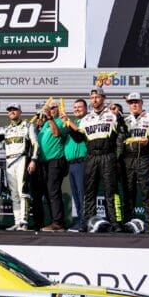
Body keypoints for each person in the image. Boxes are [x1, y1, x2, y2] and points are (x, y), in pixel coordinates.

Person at [76, 87, 125, 232]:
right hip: (91, 156)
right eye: (92, 98)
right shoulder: (86, 118)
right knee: (90, 191)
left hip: (107, 155)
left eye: (97, 97)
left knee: (111, 191)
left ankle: (115, 223)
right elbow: (79, 138)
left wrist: (119, 116)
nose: (94, 100)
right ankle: (88, 222)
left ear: (103, 98)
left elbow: (124, 131)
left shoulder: (112, 113)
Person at [0, 103, 39, 231]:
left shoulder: (27, 126)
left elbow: (35, 144)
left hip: (22, 159)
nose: (11, 112)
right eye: (9, 110)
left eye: (14, 110)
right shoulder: (5, 129)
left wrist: (33, 160)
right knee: (14, 194)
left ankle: (24, 221)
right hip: (9, 161)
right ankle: (17, 222)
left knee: (23, 192)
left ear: (20, 112)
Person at [122, 92, 149, 233]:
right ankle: (128, 222)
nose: (134, 104)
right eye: (131, 102)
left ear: (141, 102)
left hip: (144, 157)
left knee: (148, 192)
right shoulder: (125, 121)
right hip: (128, 159)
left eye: (136, 102)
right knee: (128, 192)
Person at [35, 101, 68, 231]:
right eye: (48, 108)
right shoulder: (45, 123)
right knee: (47, 192)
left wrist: (49, 117)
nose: (50, 110)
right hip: (44, 163)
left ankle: (58, 223)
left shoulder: (60, 120)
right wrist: (39, 126)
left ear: (58, 109)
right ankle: (52, 221)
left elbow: (56, 134)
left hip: (56, 160)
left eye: (53, 108)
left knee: (53, 191)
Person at [61, 99, 88, 231]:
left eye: (80, 107)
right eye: (75, 107)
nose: (77, 109)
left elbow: (79, 133)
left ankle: (85, 222)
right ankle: (80, 221)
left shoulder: (87, 120)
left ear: (86, 109)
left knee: (82, 194)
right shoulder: (71, 123)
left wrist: (68, 121)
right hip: (71, 164)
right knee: (76, 195)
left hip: (82, 162)